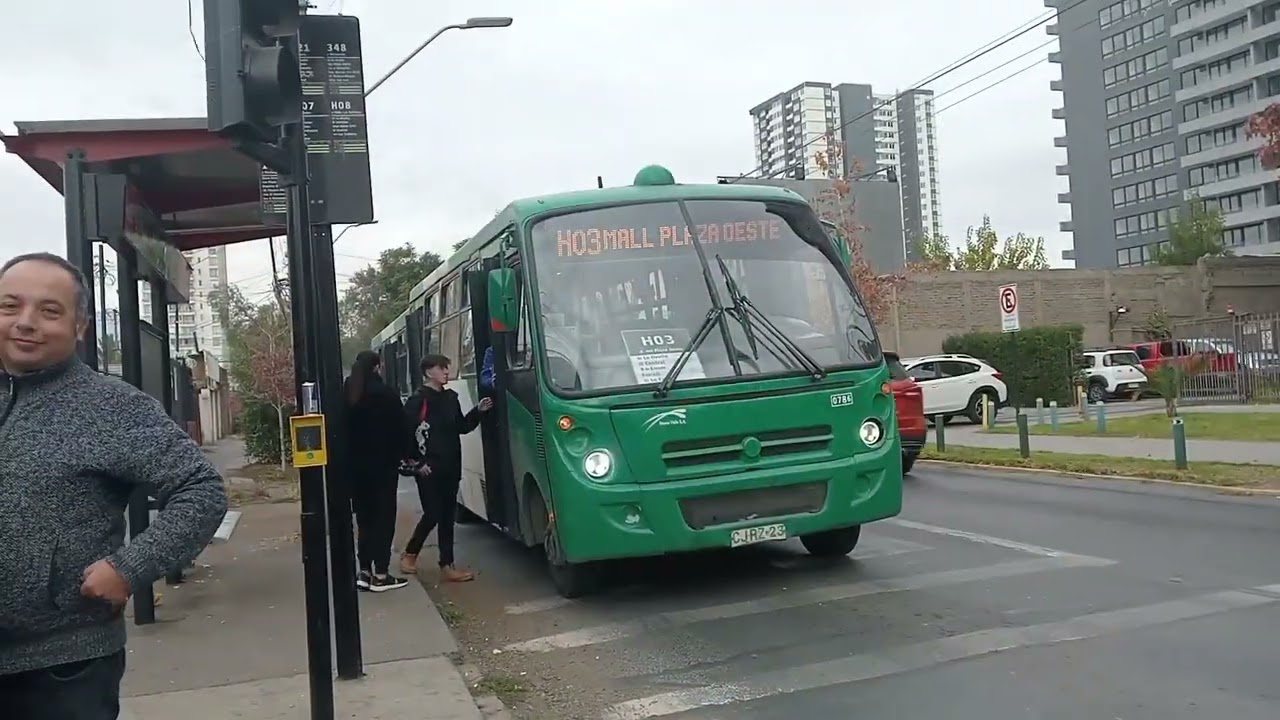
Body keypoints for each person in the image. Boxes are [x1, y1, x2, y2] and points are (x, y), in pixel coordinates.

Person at [0, 252, 228, 719]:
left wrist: (129, 567)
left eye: (49, 311)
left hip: (64, 669)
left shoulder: (112, 407)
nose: (26, 323)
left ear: (80, 326)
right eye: (9, 306)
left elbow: (201, 489)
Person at [400, 354, 493, 582]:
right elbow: (405, 435)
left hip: (451, 465)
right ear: (428, 372)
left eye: (447, 367)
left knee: (447, 516)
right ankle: (410, 553)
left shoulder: (451, 397)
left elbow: (461, 426)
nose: (446, 372)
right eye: (442, 368)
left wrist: (477, 411)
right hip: (428, 468)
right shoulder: (418, 401)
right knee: (432, 513)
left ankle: (447, 564)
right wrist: (417, 463)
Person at [343, 350, 411, 592]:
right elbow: (403, 429)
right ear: (377, 367)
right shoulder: (386, 394)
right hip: (383, 468)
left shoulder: (348, 394)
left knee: (364, 520)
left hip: (355, 470)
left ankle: (364, 571)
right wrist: (410, 457)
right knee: (383, 519)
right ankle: (381, 574)